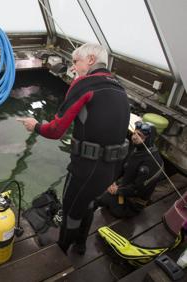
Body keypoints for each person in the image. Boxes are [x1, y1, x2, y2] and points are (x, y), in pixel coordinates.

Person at [17, 43, 130, 255]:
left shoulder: (83, 84)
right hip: (110, 169)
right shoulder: (119, 89)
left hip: (85, 168)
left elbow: (56, 130)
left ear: (90, 60)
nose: (73, 67)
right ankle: (80, 245)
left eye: (75, 62)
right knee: (87, 204)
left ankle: (61, 253)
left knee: (70, 210)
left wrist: (36, 126)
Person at [96, 121, 164, 218]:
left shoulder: (150, 163)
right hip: (123, 188)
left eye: (139, 135)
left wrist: (118, 191)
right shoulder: (138, 149)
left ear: (149, 139)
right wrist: (113, 181)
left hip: (131, 205)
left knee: (98, 198)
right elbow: (123, 168)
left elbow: (137, 189)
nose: (134, 137)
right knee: (97, 183)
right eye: (134, 133)